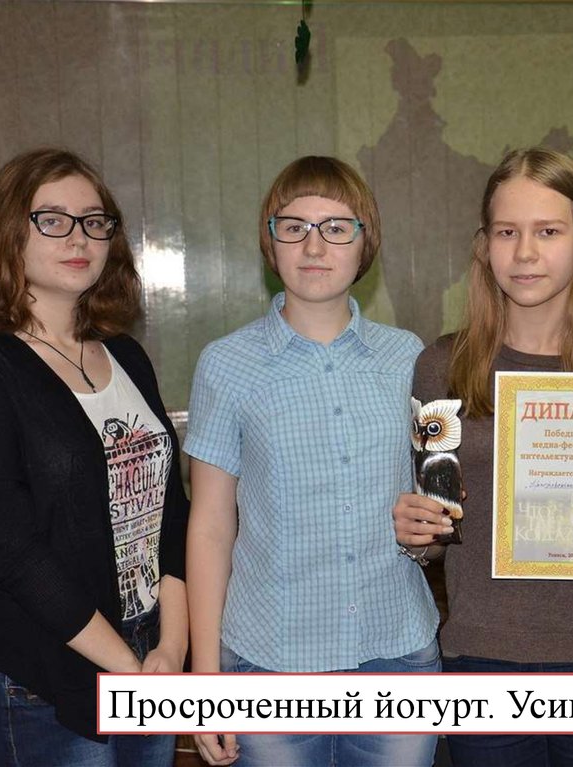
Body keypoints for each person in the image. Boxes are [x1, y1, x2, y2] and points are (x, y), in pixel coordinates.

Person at [393, 147, 573, 767]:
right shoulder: (441, 366)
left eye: (548, 232)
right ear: (484, 246)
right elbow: (436, 532)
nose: (524, 253)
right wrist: (417, 532)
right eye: (506, 232)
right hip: (481, 659)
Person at [184, 155, 440, 767]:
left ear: (364, 243)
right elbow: (211, 526)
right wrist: (205, 679)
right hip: (267, 661)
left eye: (336, 227)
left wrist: (427, 537)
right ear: (270, 243)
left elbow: (434, 511)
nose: (314, 245)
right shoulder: (226, 365)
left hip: (395, 654)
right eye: (294, 226)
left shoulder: (410, 358)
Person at [0, 149, 190, 766]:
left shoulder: (127, 356)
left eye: (94, 221)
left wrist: (171, 649)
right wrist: (126, 666)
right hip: (42, 678)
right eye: (52, 219)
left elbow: (170, 514)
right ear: (7, 233)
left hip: (149, 657)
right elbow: (10, 549)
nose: (79, 237)